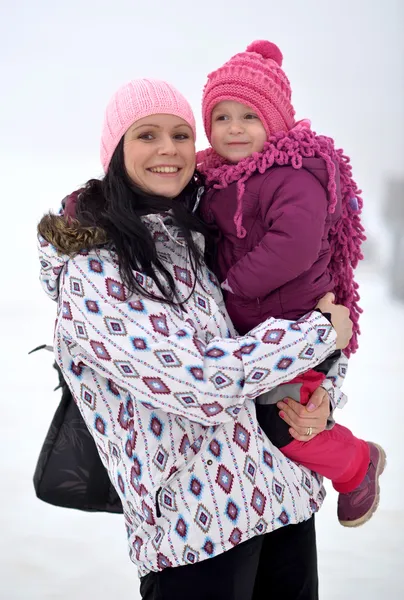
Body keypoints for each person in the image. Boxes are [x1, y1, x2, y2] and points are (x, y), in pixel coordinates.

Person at [37, 78, 352, 600]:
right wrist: (315, 336)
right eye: (147, 135)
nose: (169, 149)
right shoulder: (95, 268)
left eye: (182, 134)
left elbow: (286, 315)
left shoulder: (207, 234)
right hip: (196, 530)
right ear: (115, 151)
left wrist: (320, 401)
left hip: (285, 502)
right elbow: (198, 383)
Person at [198, 40, 386, 529]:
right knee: (267, 419)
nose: (234, 128)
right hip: (261, 332)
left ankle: (358, 465)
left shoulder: (292, 175)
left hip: (301, 325)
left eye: (249, 117)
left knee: (284, 424)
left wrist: (231, 287)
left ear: (276, 123)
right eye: (222, 117)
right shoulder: (218, 179)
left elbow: (295, 246)